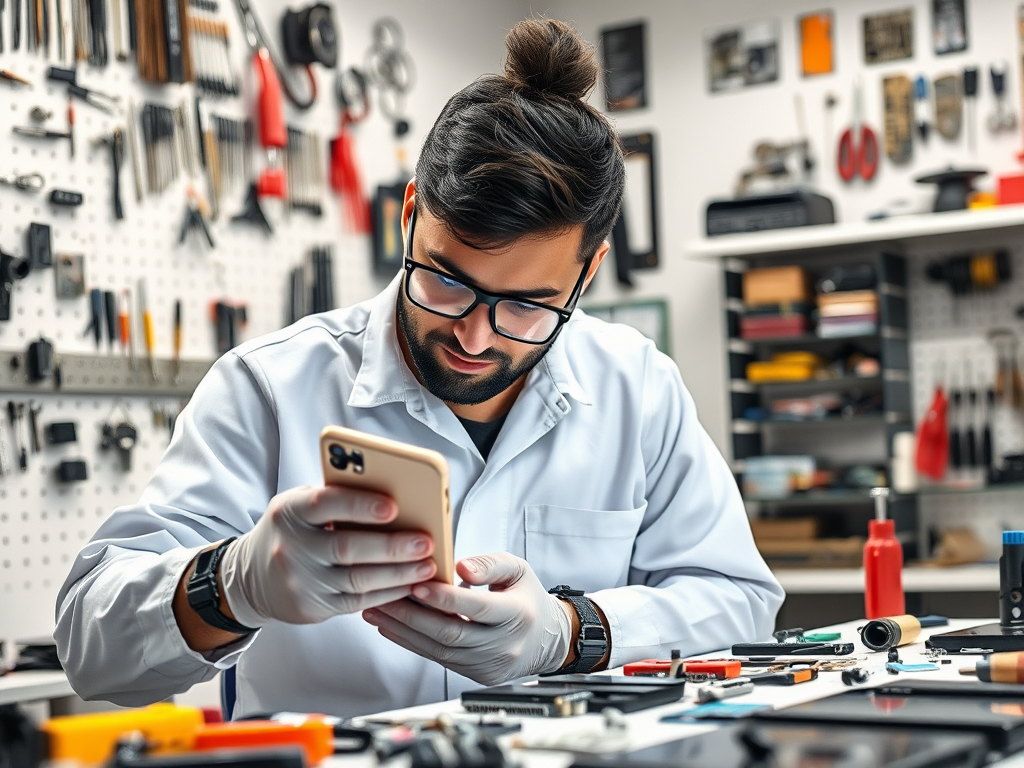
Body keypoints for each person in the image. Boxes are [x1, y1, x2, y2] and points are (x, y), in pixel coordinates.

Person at [55, 18, 783, 719]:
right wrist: (229, 585)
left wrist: (571, 630)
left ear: (588, 271)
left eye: (526, 306)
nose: (472, 333)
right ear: (410, 216)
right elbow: (90, 646)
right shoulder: (268, 388)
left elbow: (739, 600)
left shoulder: (638, 386)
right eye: (447, 280)